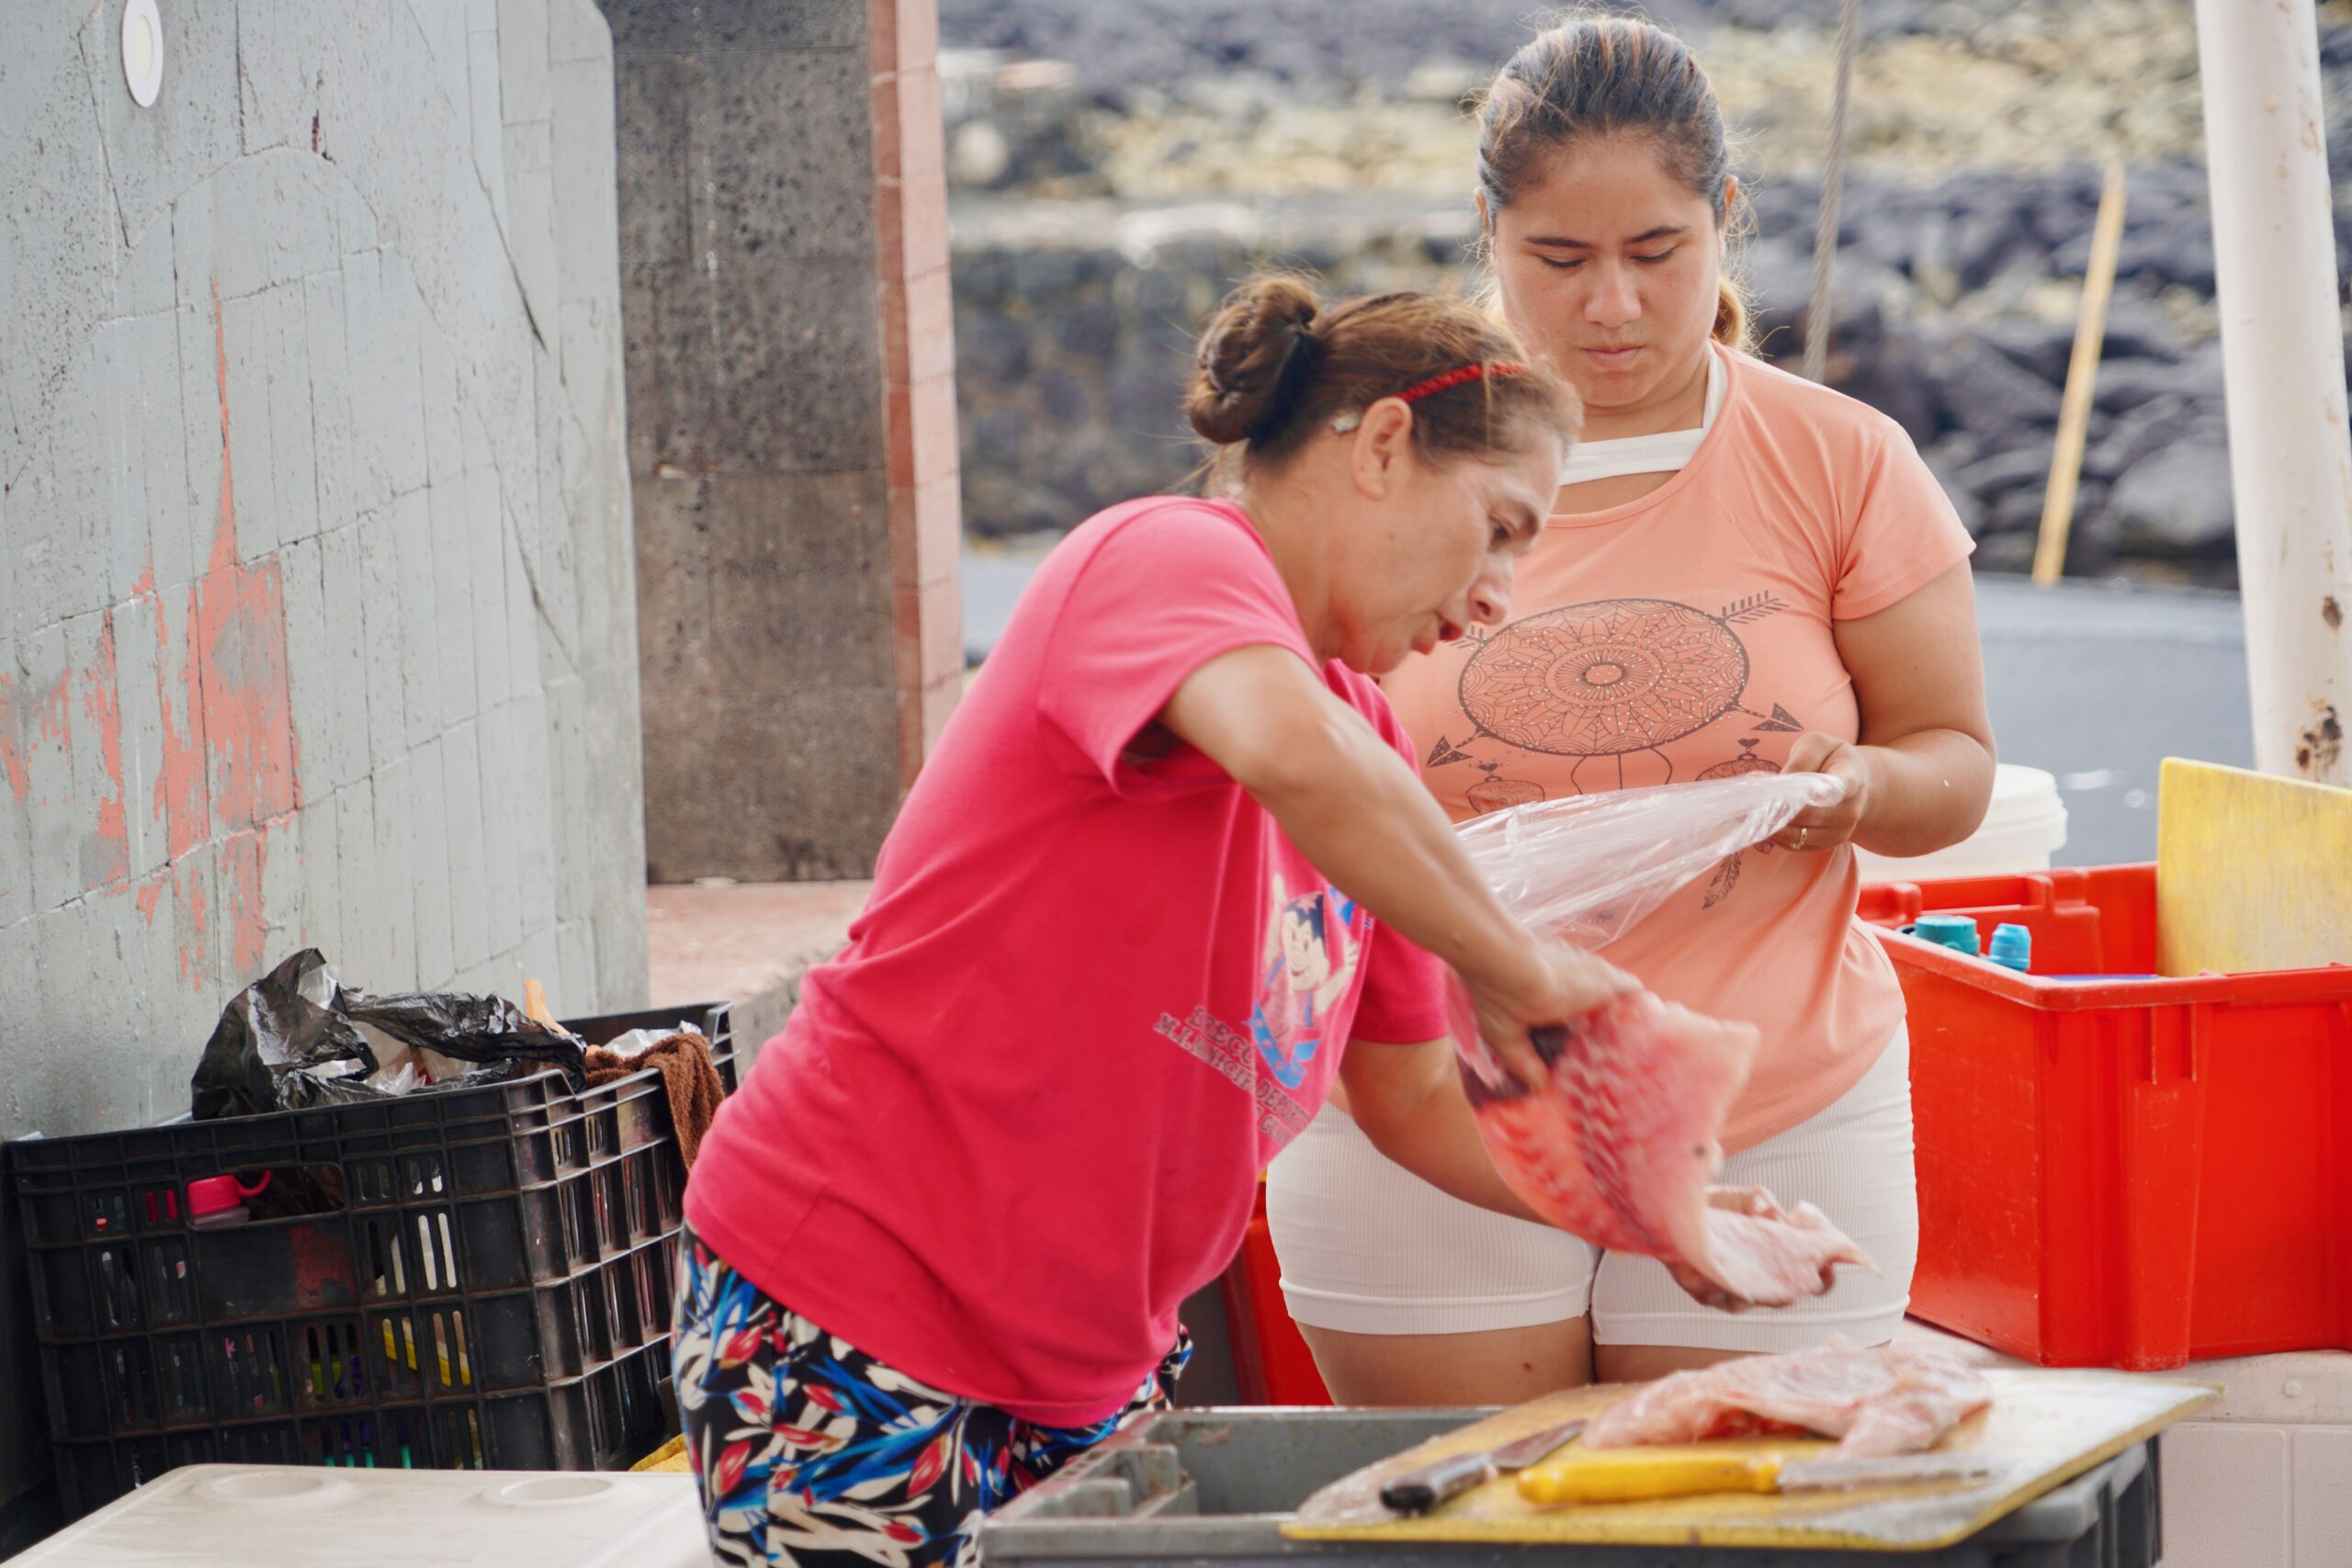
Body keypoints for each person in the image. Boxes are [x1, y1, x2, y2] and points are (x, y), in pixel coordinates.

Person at [673, 276, 1639, 1568]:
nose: (1499, 593)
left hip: (1086, 1375)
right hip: (861, 1306)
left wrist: (1654, 1210)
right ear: (1387, 443)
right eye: (1502, 526)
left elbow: (1411, 1100)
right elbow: (1281, 748)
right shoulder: (1167, 559)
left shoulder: (1370, 747)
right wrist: (1517, 967)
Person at [1267, 15, 1998, 1404]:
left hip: (1780, 1115)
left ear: (1724, 219)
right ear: (1488, 233)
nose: (1611, 306)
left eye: (1656, 254)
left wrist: (1853, 788)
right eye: (1560, 260)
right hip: (1427, 1115)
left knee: (1739, 1532)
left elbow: (1953, 763)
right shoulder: (1376, 461)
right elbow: (1275, 766)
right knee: (1475, 1526)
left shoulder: (1841, 459)